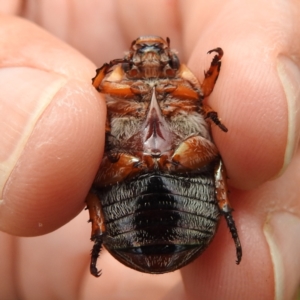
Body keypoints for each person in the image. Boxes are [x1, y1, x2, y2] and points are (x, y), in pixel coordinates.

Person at [0, 1, 299, 299]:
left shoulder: (188, 93)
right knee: (109, 161)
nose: (151, 66)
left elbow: (203, 93)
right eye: (132, 64)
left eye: (167, 64)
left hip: (171, 204)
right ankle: (101, 231)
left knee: (210, 156)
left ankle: (223, 207)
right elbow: (95, 91)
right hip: (142, 203)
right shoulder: (108, 95)